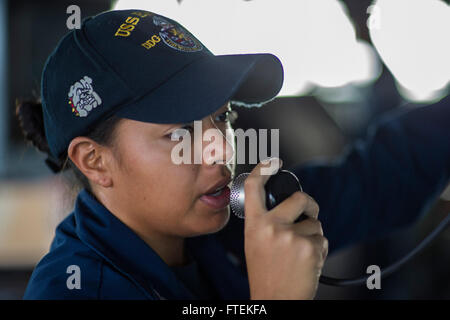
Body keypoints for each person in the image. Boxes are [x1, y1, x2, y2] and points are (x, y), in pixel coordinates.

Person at [18, 9, 450, 300]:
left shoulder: (236, 218)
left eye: (221, 116)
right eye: (178, 133)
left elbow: (379, 180)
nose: (222, 148)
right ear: (95, 161)